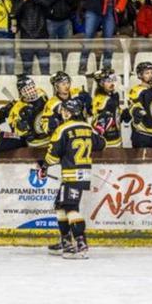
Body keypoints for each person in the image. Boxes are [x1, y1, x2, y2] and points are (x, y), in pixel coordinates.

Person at [37, 98, 106, 259]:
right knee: (60, 205)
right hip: (83, 174)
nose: (62, 114)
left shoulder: (63, 129)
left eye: (63, 111)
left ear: (68, 112)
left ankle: (81, 244)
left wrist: (44, 166)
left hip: (71, 174)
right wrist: (99, 130)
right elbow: (101, 144)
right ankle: (66, 241)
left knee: (70, 207)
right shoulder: (88, 128)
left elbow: (53, 156)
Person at [39, 71, 90, 149]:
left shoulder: (77, 93)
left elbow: (91, 108)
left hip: (81, 132)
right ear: (56, 87)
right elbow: (44, 124)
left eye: (68, 83)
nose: (67, 86)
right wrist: (57, 123)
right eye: (63, 84)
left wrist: (87, 102)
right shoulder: (51, 104)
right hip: (64, 137)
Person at [0, 75, 48, 148]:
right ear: (21, 92)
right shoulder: (17, 110)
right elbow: (15, 131)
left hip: (47, 133)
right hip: (34, 140)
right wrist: (20, 127)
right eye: (27, 89)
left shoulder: (41, 93)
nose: (31, 91)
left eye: (32, 87)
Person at [127, 62, 152, 148]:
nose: (151, 75)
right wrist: (137, 112)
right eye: (147, 73)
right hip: (141, 134)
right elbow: (134, 106)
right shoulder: (136, 90)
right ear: (140, 75)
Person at [90, 68, 123, 148]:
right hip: (106, 142)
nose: (112, 83)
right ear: (101, 84)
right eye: (108, 81)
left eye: (112, 80)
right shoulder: (100, 99)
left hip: (117, 137)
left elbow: (116, 114)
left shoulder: (114, 96)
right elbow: (98, 122)